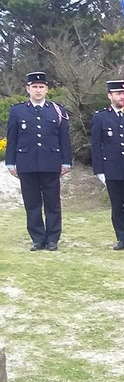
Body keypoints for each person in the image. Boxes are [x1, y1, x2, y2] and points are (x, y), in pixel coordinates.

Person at [6, 71, 72, 251]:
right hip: (26, 163)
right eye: (34, 87)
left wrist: (66, 161)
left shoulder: (57, 110)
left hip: (51, 163)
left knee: (53, 203)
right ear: (28, 89)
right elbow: (12, 138)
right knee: (32, 204)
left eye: (41, 87)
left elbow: (64, 139)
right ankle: (37, 238)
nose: (38, 90)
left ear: (47, 89)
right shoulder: (17, 111)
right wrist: (10, 163)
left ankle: (52, 239)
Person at [90, 79, 124, 251]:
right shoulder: (101, 117)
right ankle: (121, 237)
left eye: (123, 93)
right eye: (118, 93)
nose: (122, 96)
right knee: (117, 206)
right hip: (111, 169)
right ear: (109, 96)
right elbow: (96, 146)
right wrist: (99, 171)